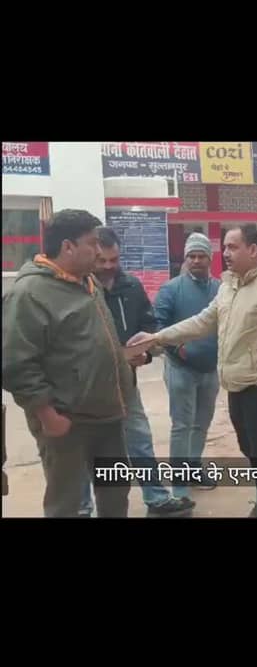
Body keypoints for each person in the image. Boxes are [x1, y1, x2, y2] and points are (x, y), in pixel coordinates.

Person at [128, 225, 257, 518]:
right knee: (251, 450)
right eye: (225, 247)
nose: (226, 253)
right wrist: (157, 337)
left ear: (253, 250)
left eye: (233, 247)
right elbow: (201, 322)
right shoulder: (229, 287)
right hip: (236, 386)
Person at [2, 209, 136, 518]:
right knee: (66, 502)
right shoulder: (29, 293)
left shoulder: (88, 282)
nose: (99, 251)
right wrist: (47, 414)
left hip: (108, 416)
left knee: (116, 493)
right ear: (68, 247)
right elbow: (16, 364)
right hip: (67, 422)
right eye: (92, 243)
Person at [79, 228, 191, 519]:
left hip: (125, 381)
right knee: (83, 449)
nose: (108, 266)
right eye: (101, 260)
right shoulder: (78, 288)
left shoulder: (131, 286)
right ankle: (81, 509)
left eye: (113, 260)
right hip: (86, 387)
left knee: (140, 438)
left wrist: (146, 352)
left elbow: (149, 324)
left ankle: (156, 498)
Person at [154, 233, 221, 504]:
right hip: (180, 369)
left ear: (210, 258)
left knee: (202, 423)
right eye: (191, 256)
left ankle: (193, 467)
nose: (196, 260)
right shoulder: (171, 289)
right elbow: (158, 326)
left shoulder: (220, 290)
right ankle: (179, 484)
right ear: (185, 259)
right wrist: (177, 349)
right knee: (182, 425)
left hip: (210, 370)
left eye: (201, 255)